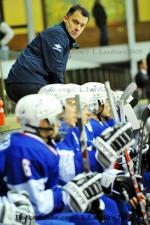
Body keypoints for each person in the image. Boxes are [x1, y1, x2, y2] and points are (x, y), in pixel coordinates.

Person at [5, 4, 89, 103]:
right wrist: (64, 95)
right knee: (62, 109)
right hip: (28, 82)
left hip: (21, 82)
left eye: (82, 26)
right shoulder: (57, 34)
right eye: (75, 22)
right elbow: (55, 69)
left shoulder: (64, 38)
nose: (78, 28)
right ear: (66, 18)